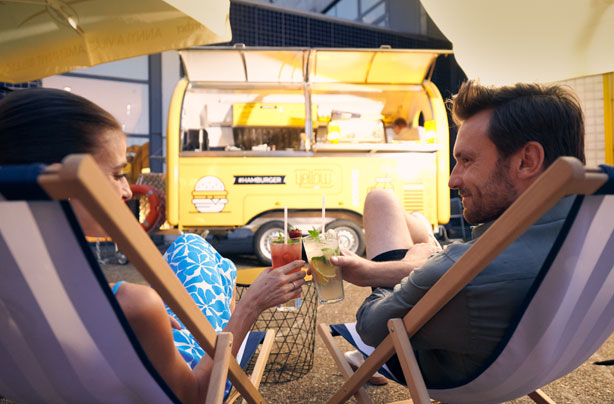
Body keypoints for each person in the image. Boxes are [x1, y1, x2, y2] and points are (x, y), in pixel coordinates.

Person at [0, 88, 307, 403]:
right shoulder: (135, 305)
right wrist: (251, 305)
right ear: (61, 184)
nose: (127, 191)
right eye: (117, 174)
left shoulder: (22, 300)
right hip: (193, 374)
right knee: (194, 249)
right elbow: (197, 396)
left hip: (94, 373)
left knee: (189, 245)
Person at [331, 80, 586, 387]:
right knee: (414, 221)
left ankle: (418, 249)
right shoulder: (588, 242)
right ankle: (422, 239)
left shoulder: (463, 267)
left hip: (443, 370)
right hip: (535, 366)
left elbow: (370, 328)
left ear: (526, 161)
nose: (453, 180)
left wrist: (407, 267)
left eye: (466, 160)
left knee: (380, 200)